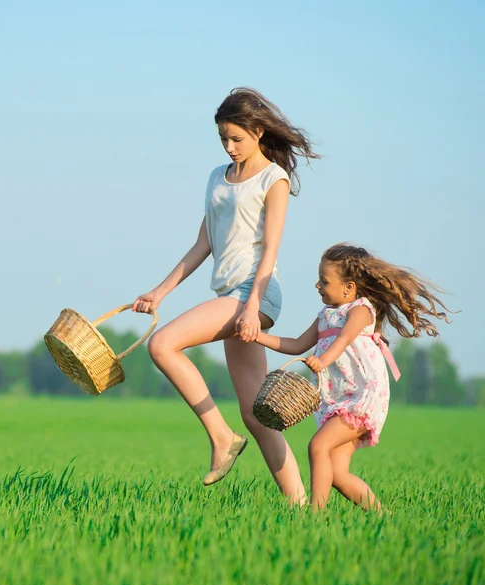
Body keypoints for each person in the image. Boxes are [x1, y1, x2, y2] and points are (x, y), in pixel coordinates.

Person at [132, 87, 319, 504]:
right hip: (231, 296)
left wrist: (251, 307)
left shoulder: (274, 179)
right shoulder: (217, 177)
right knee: (256, 413)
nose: (229, 147)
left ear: (257, 132)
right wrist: (160, 292)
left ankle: (220, 437)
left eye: (236, 138)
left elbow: (271, 249)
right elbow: (203, 242)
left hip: (257, 294)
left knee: (162, 345)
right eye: (223, 139)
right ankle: (302, 509)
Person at [255, 243, 453, 510]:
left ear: (348, 288)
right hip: (335, 401)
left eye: (324, 281)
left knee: (318, 446)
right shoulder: (325, 316)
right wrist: (258, 336)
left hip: (360, 399)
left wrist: (323, 359)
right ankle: (383, 516)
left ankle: (315, 517)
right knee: (336, 474)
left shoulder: (360, 310)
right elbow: (296, 344)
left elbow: (345, 339)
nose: (317, 286)